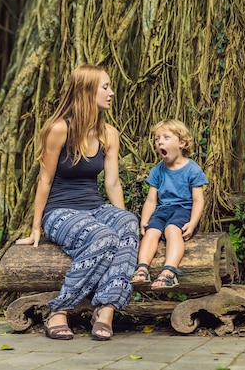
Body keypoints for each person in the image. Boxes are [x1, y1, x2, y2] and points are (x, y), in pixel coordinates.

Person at [16, 64, 138, 342]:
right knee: (104, 237)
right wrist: (36, 227)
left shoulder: (109, 134)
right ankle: (59, 310)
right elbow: (44, 180)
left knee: (128, 223)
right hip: (60, 212)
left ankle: (106, 309)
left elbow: (112, 183)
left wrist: (123, 227)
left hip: (93, 209)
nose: (111, 92)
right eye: (105, 87)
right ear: (86, 91)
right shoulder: (59, 129)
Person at [130, 119, 208, 290]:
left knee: (172, 229)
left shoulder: (192, 170)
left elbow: (198, 200)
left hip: (184, 210)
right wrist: (144, 220)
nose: (160, 142)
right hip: (163, 210)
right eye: (157, 139)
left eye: (166, 137)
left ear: (182, 142)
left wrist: (193, 222)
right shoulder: (157, 170)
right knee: (151, 231)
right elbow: (151, 200)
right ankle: (142, 268)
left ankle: (169, 272)